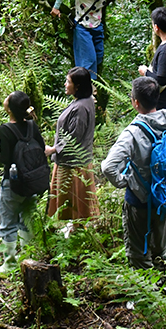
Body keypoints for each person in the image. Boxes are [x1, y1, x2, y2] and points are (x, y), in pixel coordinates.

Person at [101, 76, 166, 270]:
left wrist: (123, 181)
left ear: (135, 103)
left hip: (139, 200)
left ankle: (145, 297)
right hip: (165, 196)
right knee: (159, 251)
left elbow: (108, 167)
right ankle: (162, 290)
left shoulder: (132, 133)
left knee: (138, 253)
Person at [0, 90, 47, 273]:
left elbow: (5, 159)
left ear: (9, 109)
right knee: (27, 217)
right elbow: (41, 148)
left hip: (13, 183)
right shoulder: (32, 126)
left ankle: (9, 263)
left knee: (8, 220)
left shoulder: (6, 129)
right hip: (32, 181)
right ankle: (28, 256)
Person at [45, 67, 100, 225]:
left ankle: (76, 230)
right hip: (74, 160)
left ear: (78, 86)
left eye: (68, 82)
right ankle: (73, 229)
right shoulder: (85, 100)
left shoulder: (81, 108)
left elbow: (74, 137)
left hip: (73, 164)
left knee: (73, 201)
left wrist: (53, 149)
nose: (65, 84)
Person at [51, 0, 112, 79]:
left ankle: (89, 79)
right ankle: (89, 84)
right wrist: (56, 8)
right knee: (89, 59)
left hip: (97, 27)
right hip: (83, 27)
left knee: (99, 56)